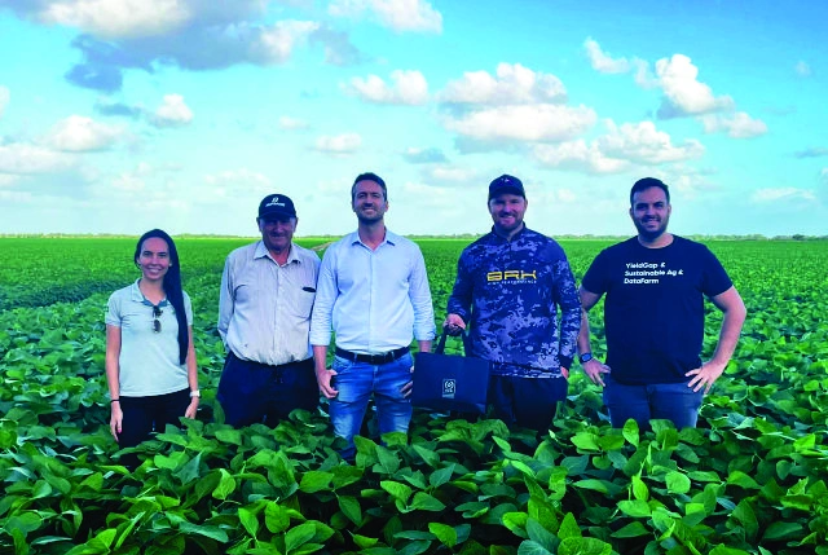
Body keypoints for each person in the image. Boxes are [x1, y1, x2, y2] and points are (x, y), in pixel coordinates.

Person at [578, 177, 746, 429]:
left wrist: (718, 363)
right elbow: (576, 306)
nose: (650, 213)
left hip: (680, 384)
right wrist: (586, 357)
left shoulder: (696, 255)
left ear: (669, 209)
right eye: (642, 207)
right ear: (631, 212)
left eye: (657, 205)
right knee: (626, 457)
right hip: (624, 384)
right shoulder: (611, 258)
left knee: (675, 460)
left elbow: (735, 308)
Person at [311, 172, 435, 460]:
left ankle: (388, 503)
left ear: (386, 204)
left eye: (375, 195)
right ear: (353, 204)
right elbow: (321, 312)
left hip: (398, 367)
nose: (368, 200)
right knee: (343, 448)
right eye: (362, 195)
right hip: (348, 366)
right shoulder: (337, 253)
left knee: (395, 450)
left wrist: (425, 364)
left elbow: (423, 309)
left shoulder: (408, 252)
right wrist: (320, 368)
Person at [444, 174, 581, 432]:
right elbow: (460, 296)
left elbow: (572, 307)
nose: (507, 208)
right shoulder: (474, 253)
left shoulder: (548, 249)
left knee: (534, 452)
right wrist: (457, 314)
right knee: (485, 453)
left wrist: (563, 361)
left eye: (514, 201)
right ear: (489, 206)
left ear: (525, 204)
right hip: (485, 372)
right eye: (499, 202)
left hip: (538, 372)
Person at [217, 194, 321, 427]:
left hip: (297, 376)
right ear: (259, 223)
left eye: (284, 221)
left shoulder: (312, 263)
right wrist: (242, 354)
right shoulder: (237, 261)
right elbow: (225, 319)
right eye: (270, 221)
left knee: (294, 446)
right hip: (245, 374)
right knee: (238, 442)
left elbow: (319, 319)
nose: (278, 228)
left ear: (295, 223)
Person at [105, 229, 200, 468]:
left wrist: (195, 395)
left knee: (175, 468)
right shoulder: (120, 299)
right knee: (131, 465)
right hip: (133, 398)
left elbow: (189, 348)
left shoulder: (182, 299)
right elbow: (112, 354)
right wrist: (115, 403)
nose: (154, 261)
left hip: (176, 395)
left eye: (161, 255)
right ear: (138, 258)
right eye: (147, 254)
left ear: (170, 261)